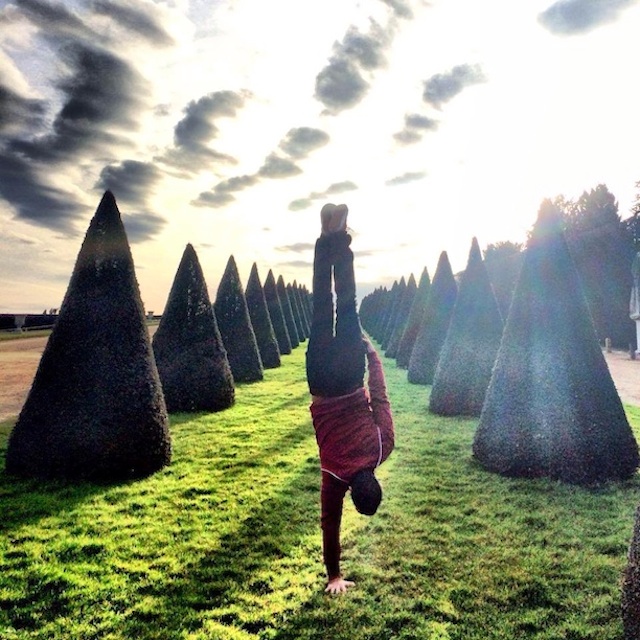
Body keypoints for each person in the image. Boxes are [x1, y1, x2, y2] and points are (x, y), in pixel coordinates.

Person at [306, 203, 395, 595]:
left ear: (374, 480)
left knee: (347, 299)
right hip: (321, 382)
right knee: (321, 306)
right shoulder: (333, 477)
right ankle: (324, 239)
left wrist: (372, 355)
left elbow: (380, 397)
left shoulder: (382, 448)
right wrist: (333, 576)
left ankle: (340, 237)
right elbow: (330, 525)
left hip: (348, 371)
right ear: (352, 496)